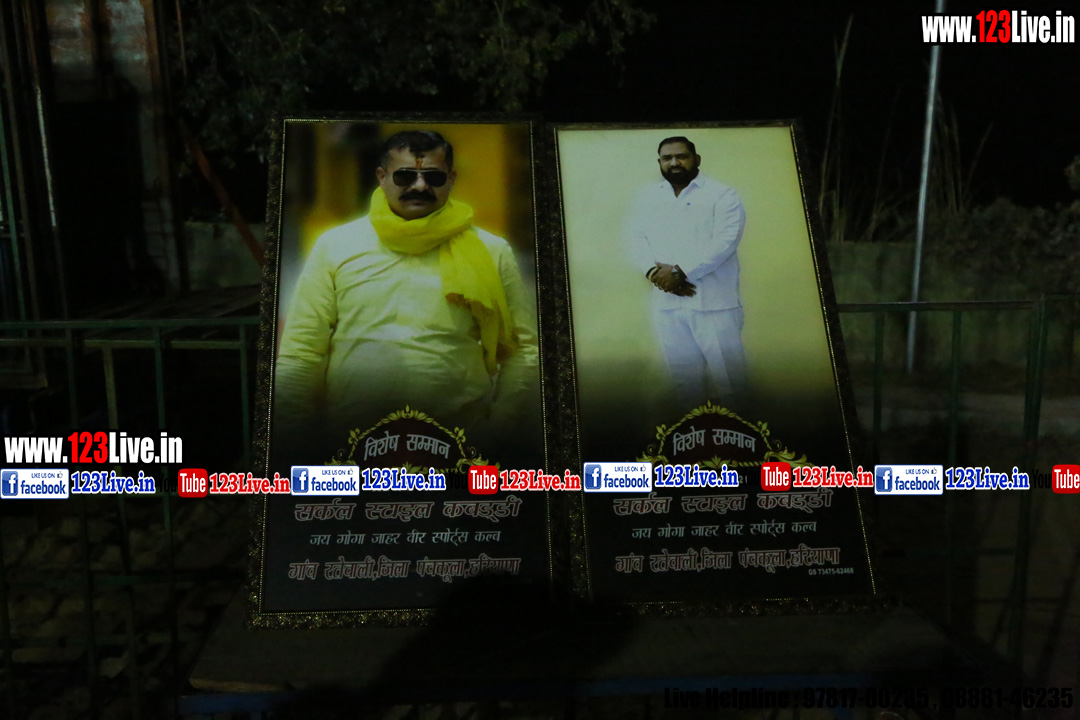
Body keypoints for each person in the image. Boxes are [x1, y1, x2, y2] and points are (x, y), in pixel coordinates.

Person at [273, 130, 539, 458]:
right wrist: (297, 439)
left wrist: (495, 433)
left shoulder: (491, 251)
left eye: (434, 177)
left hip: (456, 448)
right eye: (405, 176)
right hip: (353, 448)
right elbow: (301, 352)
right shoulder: (336, 246)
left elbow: (521, 351)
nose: (420, 186)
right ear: (381, 177)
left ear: (452, 179)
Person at [626, 136, 748, 407]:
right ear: (659, 162)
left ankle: (740, 434)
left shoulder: (722, 194)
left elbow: (725, 242)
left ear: (696, 159)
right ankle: (694, 434)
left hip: (714, 303)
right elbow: (636, 239)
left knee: (731, 384)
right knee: (685, 385)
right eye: (667, 158)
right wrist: (654, 273)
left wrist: (679, 273)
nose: (674, 162)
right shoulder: (648, 197)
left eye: (681, 156)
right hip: (667, 304)